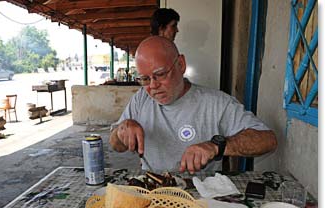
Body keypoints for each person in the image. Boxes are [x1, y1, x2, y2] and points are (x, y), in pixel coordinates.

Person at [109, 36, 277, 174]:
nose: (152, 86)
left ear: (181, 64)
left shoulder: (215, 103)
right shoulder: (141, 99)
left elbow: (267, 140)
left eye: (160, 75)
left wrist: (216, 146)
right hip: (153, 187)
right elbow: (115, 145)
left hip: (202, 192)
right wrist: (121, 131)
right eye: (145, 79)